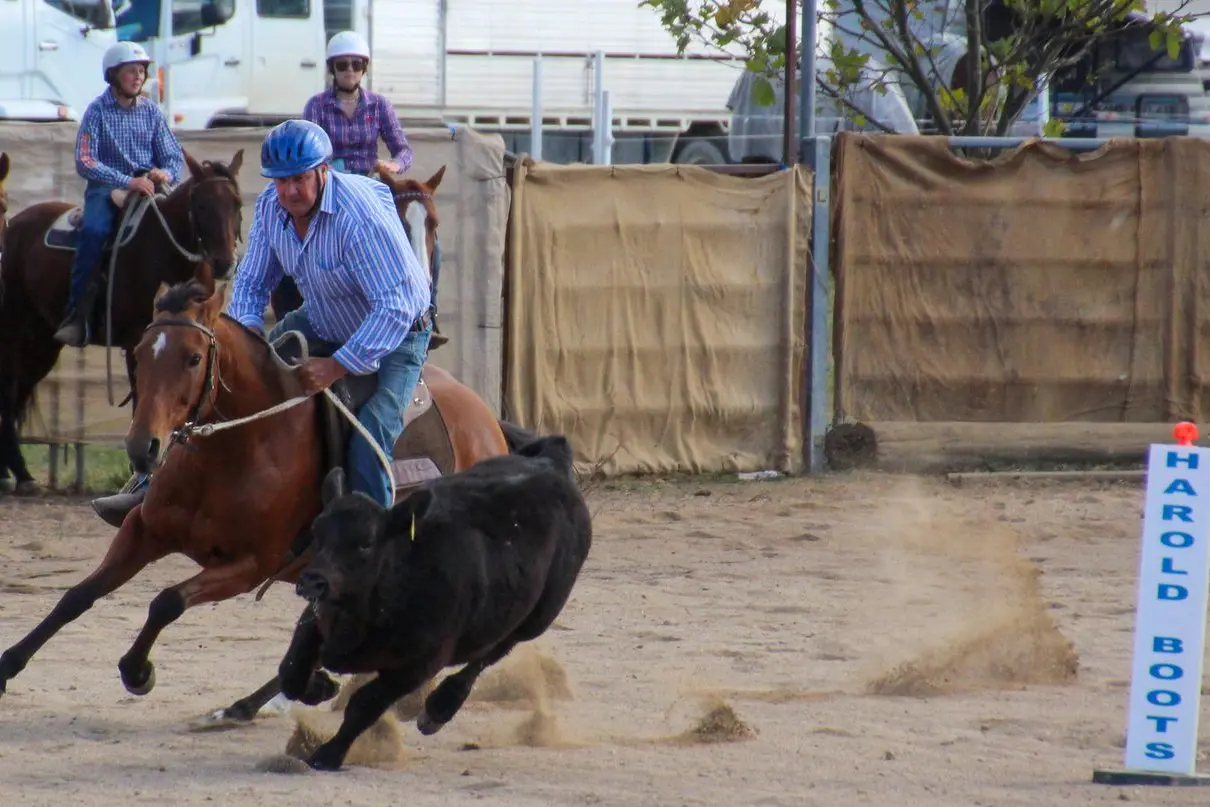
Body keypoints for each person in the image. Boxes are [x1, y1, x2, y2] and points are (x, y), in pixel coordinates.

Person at [90, 119, 433, 527]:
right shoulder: (273, 206)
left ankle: (371, 541)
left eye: (299, 179)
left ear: (324, 170)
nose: (289, 190)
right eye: (281, 180)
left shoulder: (358, 219)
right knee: (234, 378)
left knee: (370, 433)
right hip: (324, 315)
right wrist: (247, 330)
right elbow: (252, 281)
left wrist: (336, 365)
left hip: (398, 334)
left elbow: (395, 306)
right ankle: (150, 483)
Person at [301, 30, 447, 350]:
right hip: (332, 190)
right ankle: (305, 310)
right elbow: (308, 150)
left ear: (364, 69)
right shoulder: (316, 106)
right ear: (332, 69)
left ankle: (427, 312)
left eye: (356, 64)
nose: (349, 70)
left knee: (429, 238)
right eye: (342, 65)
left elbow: (403, 150)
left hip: (373, 191)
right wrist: (328, 168)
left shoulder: (379, 105)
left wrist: (394, 165)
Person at [54, 41, 185, 348]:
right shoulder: (97, 111)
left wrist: (165, 173)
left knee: (178, 230)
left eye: (141, 71)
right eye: (131, 72)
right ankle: (77, 315)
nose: (138, 77)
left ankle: (191, 312)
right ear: (113, 75)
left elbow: (173, 156)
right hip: (106, 189)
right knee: (95, 231)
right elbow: (85, 160)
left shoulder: (152, 111)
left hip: (150, 188)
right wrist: (127, 181)